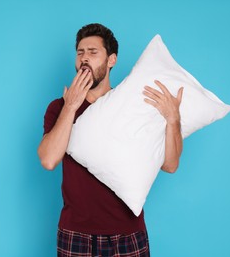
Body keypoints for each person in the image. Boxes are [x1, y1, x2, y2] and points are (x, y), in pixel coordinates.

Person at [37, 23, 183, 257]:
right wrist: (72, 106)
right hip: (76, 233)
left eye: (93, 52)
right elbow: (48, 159)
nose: (84, 58)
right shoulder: (59, 107)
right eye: (80, 53)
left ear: (111, 60)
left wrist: (173, 120)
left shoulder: (132, 106)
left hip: (128, 233)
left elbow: (170, 165)